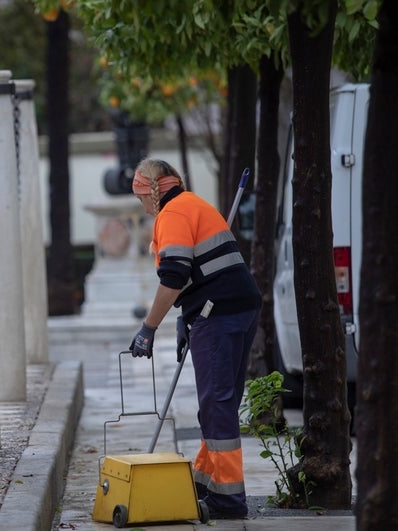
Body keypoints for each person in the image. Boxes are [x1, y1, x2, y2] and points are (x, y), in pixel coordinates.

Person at [129, 158, 261, 519]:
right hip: (237, 306)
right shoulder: (195, 205)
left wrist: (148, 328)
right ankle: (207, 484)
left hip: (219, 313)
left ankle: (229, 501)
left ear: (149, 193)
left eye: (139, 199)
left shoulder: (171, 215)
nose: (141, 207)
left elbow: (173, 275)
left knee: (216, 406)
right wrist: (186, 319)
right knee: (221, 404)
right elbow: (198, 272)